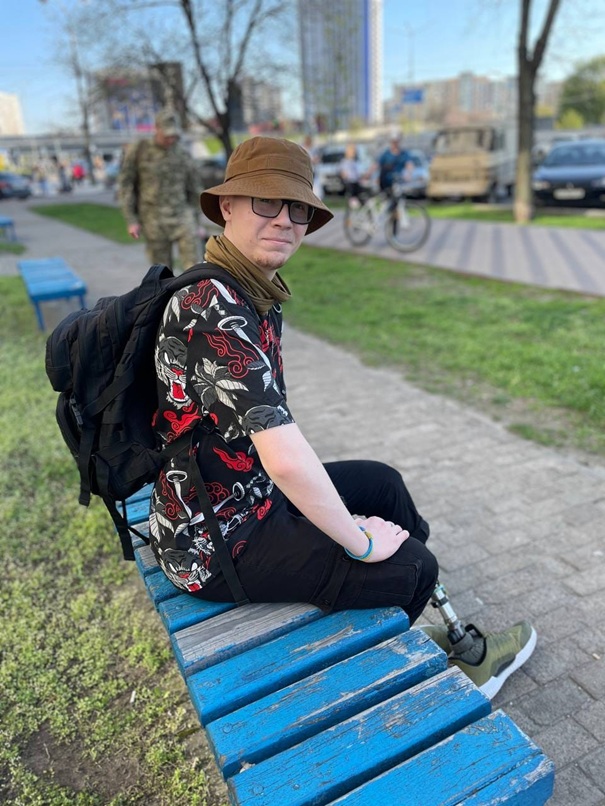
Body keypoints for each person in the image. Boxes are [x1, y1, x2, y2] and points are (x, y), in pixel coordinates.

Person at [148, 136, 536, 699]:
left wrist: (363, 532)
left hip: (246, 496)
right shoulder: (213, 306)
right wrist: (359, 542)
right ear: (227, 206)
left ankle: (404, 615)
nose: (284, 220)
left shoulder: (251, 291)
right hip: (211, 541)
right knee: (412, 567)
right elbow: (285, 460)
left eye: (297, 208)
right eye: (266, 201)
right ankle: (396, 681)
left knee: (383, 484)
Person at [118, 108, 201, 272]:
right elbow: (126, 184)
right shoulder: (140, 150)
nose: (171, 139)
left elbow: (194, 187)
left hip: (182, 215)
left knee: (194, 268)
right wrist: (132, 220)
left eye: (174, 135)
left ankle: (193, 290)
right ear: (156, 129)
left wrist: (196, 219)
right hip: (153, 219)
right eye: (167, 135)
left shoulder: (183, 153)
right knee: (162, 273)